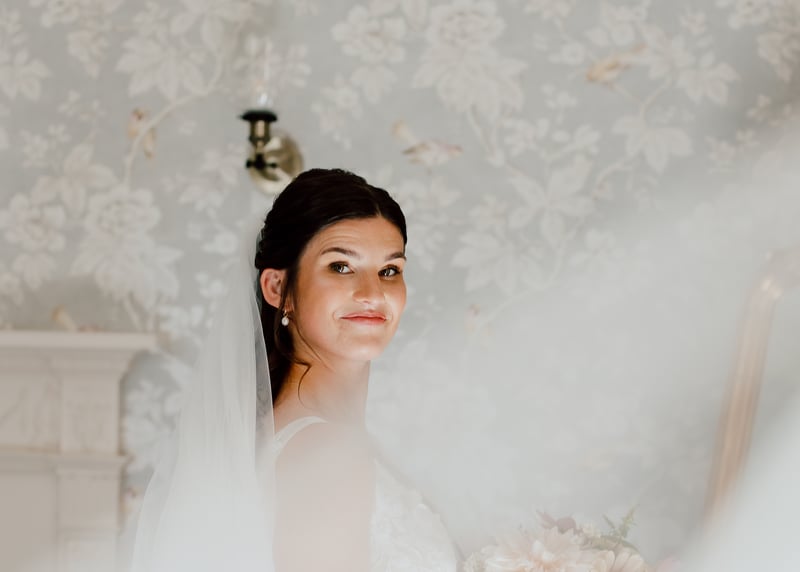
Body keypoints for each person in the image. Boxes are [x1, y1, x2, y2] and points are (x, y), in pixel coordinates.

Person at [130, 168, 457, 572]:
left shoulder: (289, 434)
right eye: (340, 266)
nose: (373, 294)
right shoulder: (327, 452)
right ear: (277, 288)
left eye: (390, 270)